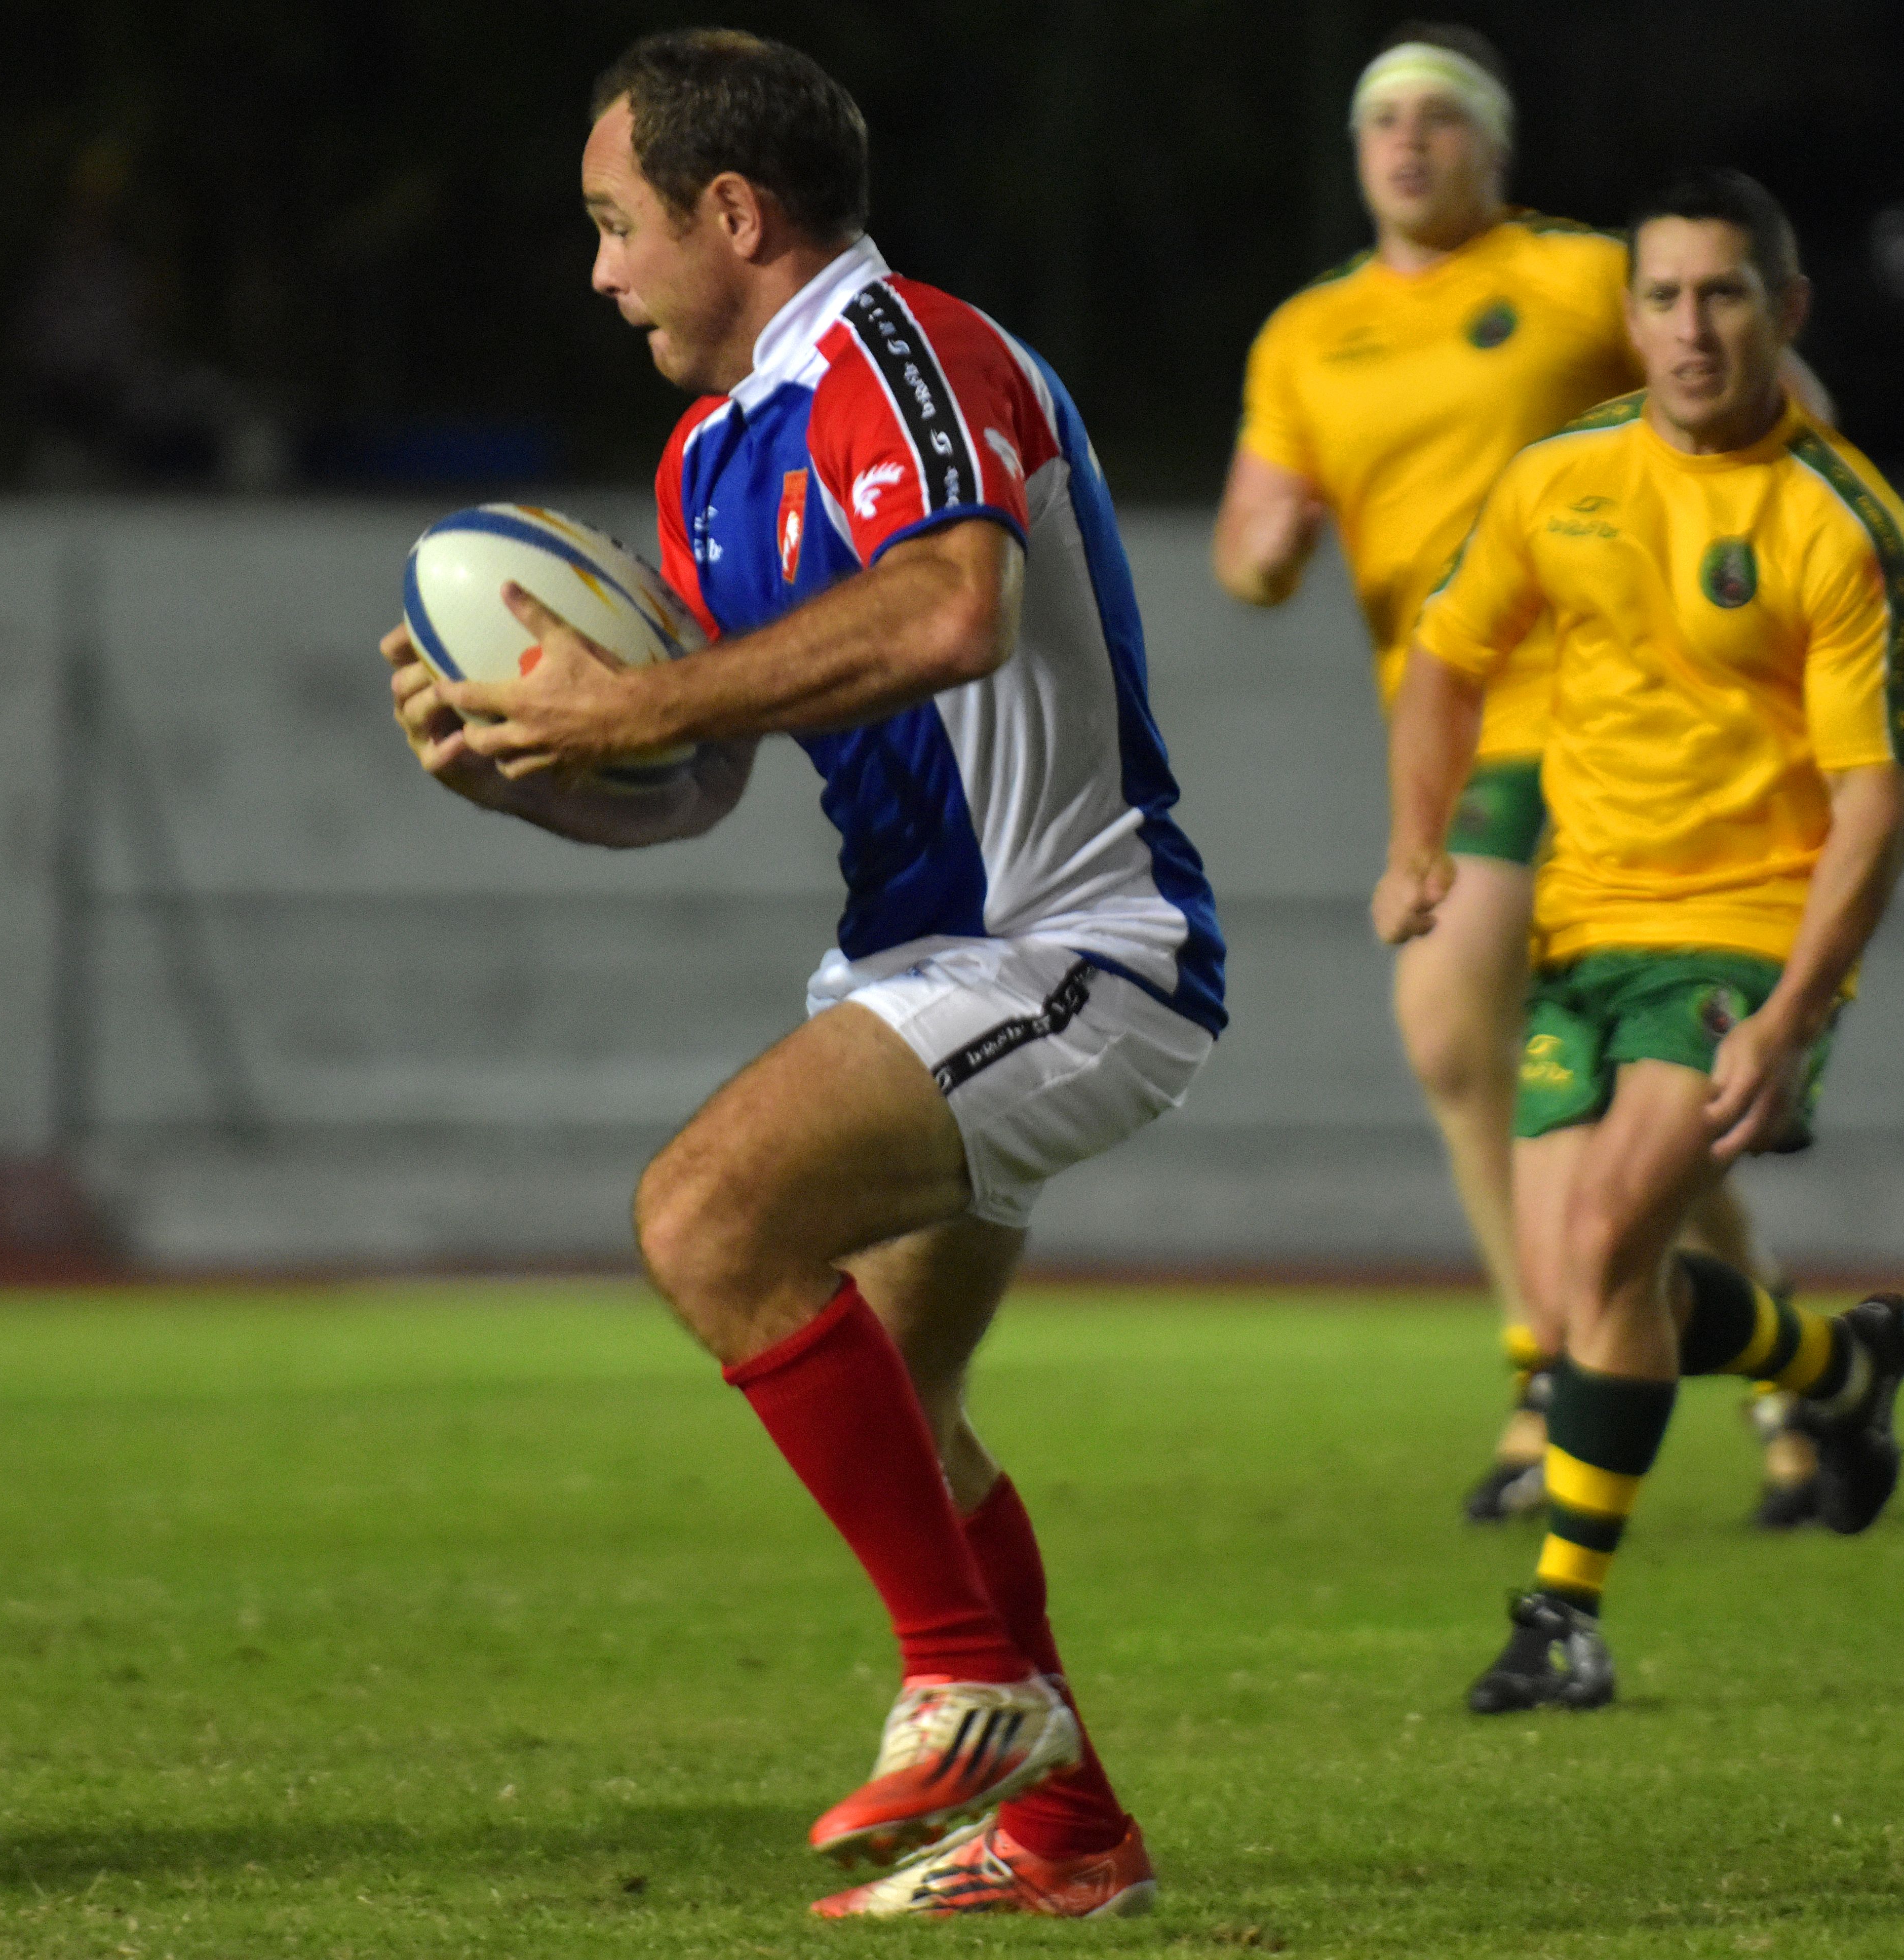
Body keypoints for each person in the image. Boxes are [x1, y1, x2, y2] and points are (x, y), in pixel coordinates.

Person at [381, 30, 1217, 1922]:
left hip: (1075, 948)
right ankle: (1071, 1841)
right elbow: (691, 788)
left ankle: (966, 1682)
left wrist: (636, 697)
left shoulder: (909, 352)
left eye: (615, 224)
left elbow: (950, 608)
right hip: (917, 973)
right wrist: (527, 774)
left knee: (701, 1218)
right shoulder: (706, 457)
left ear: (730, 214)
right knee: (902, 1408)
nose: (598, 272)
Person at [1214, 25, 1814, 1528]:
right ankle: (1779, 1368)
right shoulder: (1304, 337)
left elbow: (1770, 402)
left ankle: (1549, 1356)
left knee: (1449, 1017)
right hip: (1458, 727)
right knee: (1601, 1094)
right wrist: (1268, 547)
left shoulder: (1577, 278)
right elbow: (1245, 543)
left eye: (1438, 117)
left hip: (1626, 713)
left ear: (1494, 147)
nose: (1406, 142)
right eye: (1381, 121)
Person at [1374, 171, 1904, 1714]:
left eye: (1726, 294)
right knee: (1582, 1286)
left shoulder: (1839, 524)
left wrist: (1789, 1009)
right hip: (1586, 925)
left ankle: (1561, 1615)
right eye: (1666, 296)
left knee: (1614, 1240)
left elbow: (1873, 813)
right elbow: (1443, 657)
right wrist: (1414, 838)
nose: (1692, 327)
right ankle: (1833, 1365)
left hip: (1747, 935)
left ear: (1786, 312)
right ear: (1627, 319)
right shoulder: (1556, 478)